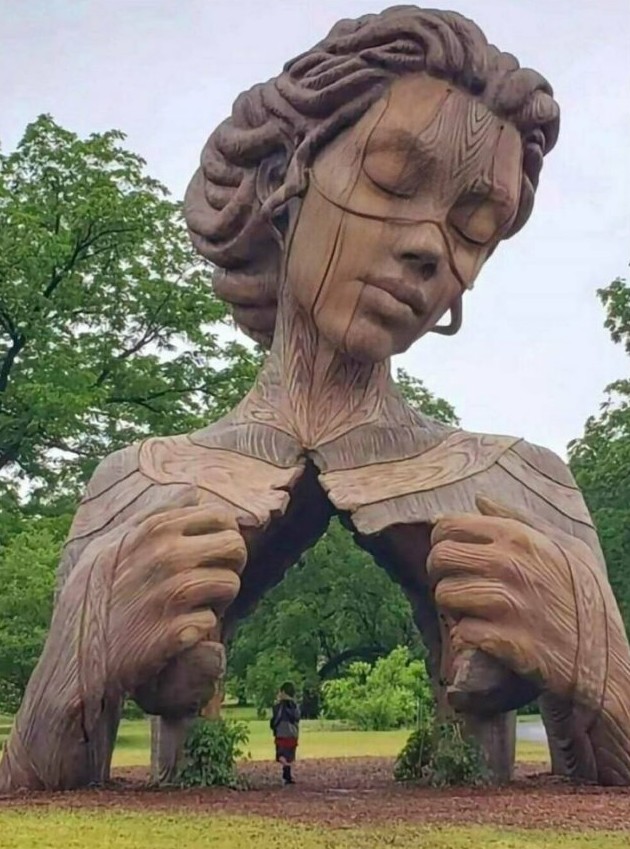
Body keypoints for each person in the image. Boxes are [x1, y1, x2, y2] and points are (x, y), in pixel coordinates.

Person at [270, 682, 300, 785]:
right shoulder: (295, 706)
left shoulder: (279, 707)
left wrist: (273, 727)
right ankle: (287, 776)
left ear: (283, 692)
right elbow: (297, 718)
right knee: (289, 756)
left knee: (281, 755)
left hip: (281, 733)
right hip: (293, 734)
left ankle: (286, 769)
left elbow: (275, 720)